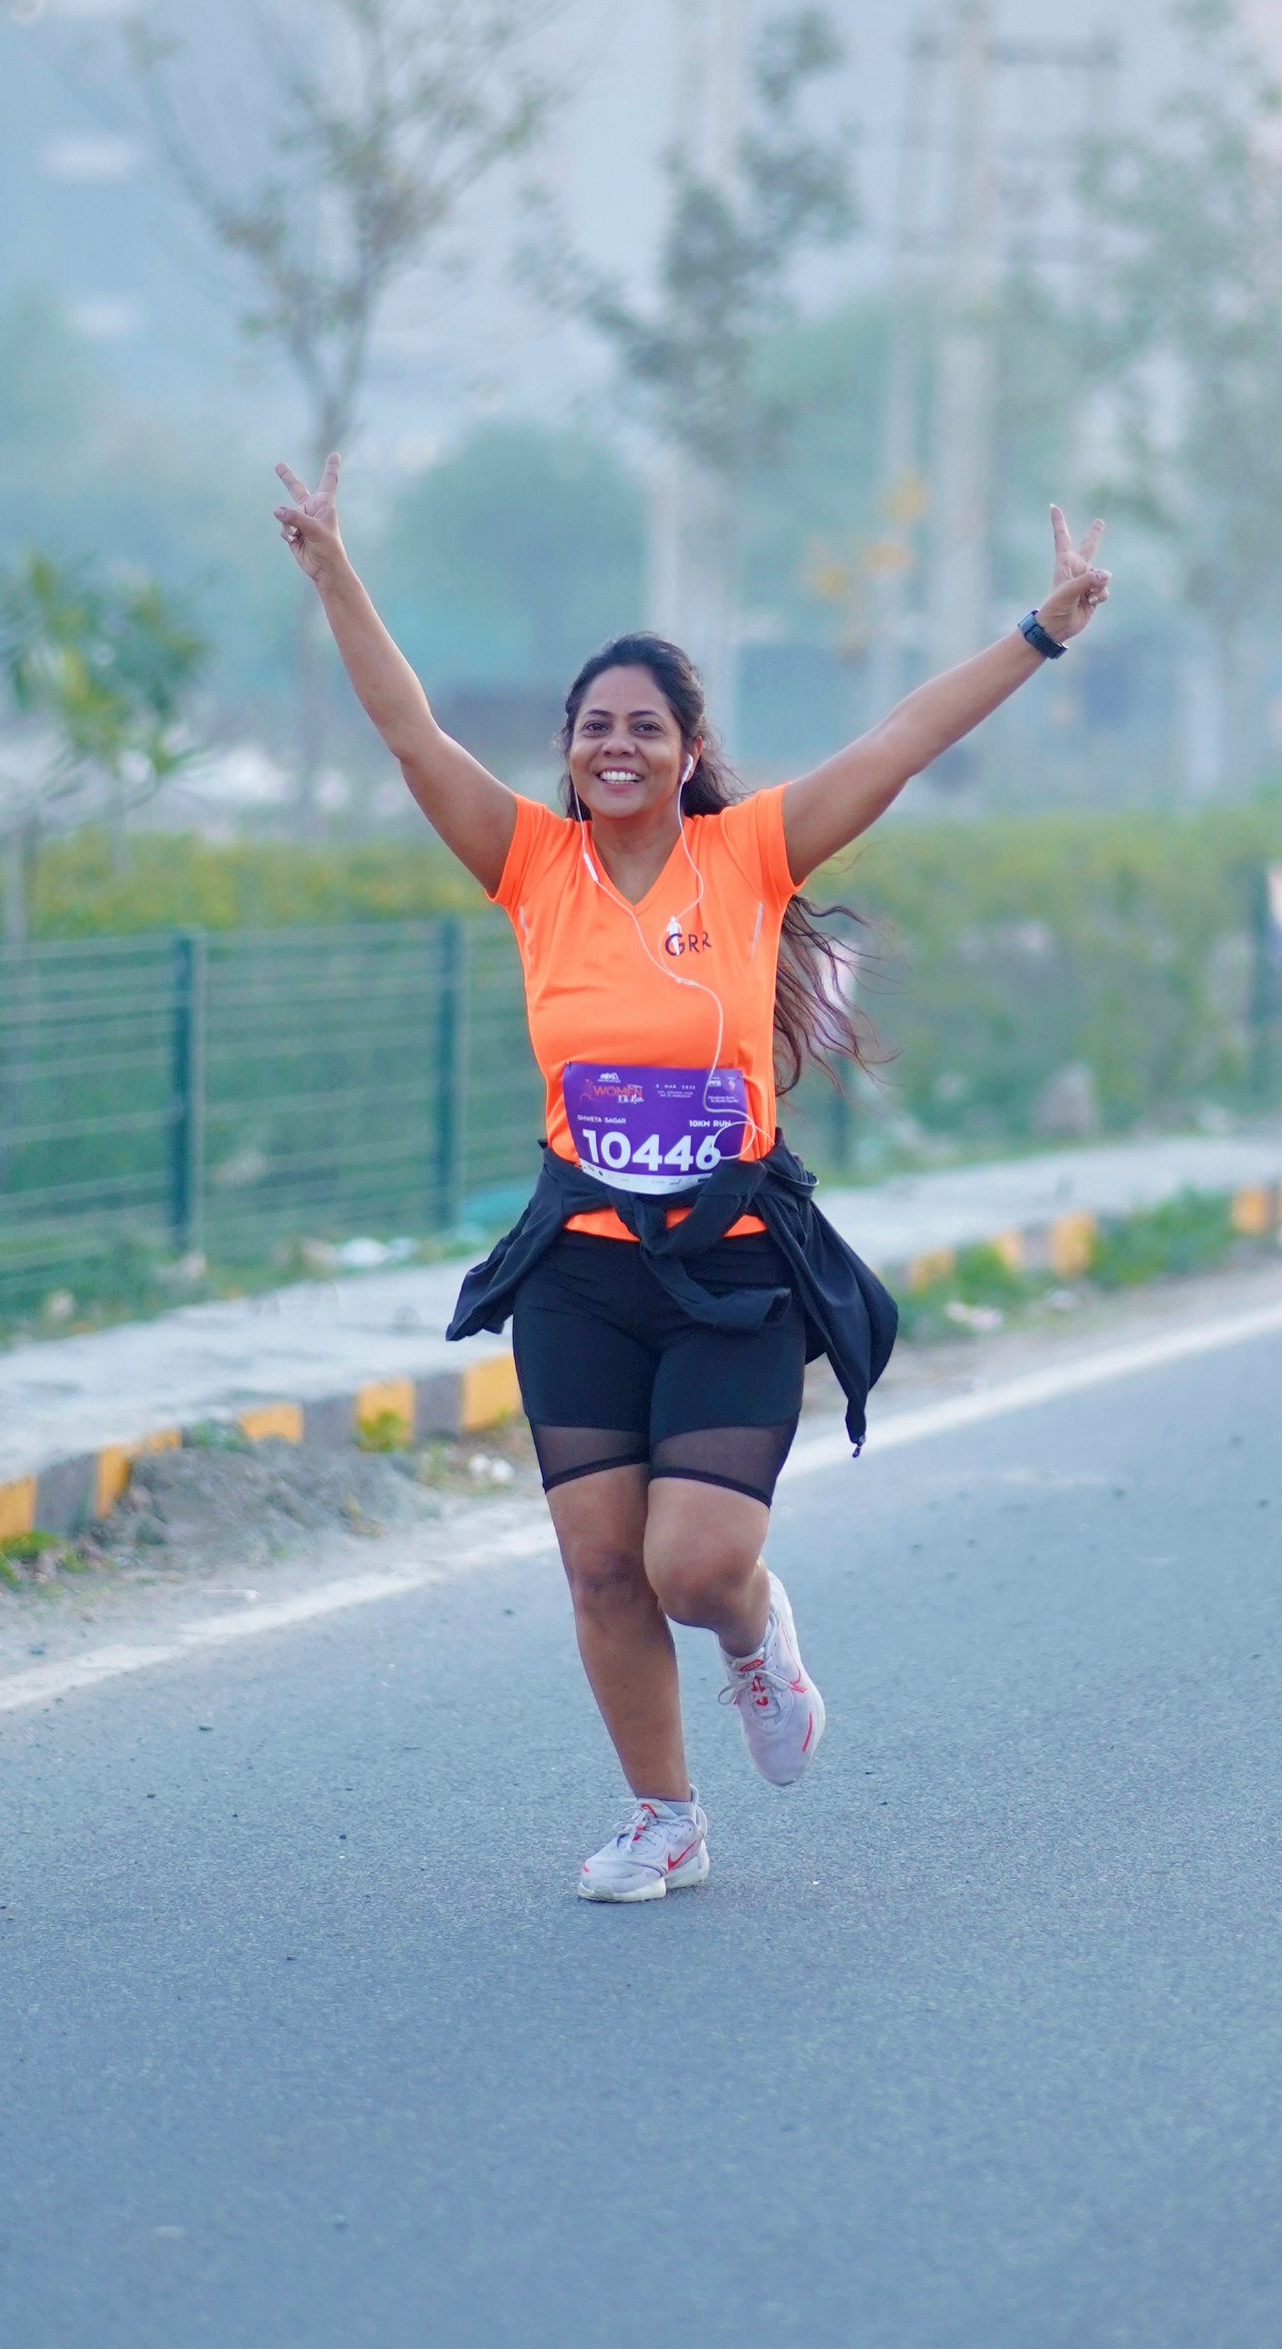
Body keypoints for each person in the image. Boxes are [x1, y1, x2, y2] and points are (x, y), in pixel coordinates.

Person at [272, 454, 1111, 1899]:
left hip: (731, 1266)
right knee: (602, 1563)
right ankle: (665, 1817)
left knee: (694, 1564)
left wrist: (1039, 632)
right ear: (568, 748)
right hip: (581, 1270)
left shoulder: (751, 856)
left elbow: (902, 739)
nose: (617, 747)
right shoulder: (531, 866)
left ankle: (755, 1635)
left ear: (686, 747)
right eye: (595, 727)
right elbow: (408, 731)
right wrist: (333, 566)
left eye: (644, 727)